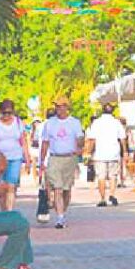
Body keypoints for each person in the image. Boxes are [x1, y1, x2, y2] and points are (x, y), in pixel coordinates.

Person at [38, 98, 83, 229]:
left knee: (66, 190)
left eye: (61, 106)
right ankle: (60, 217)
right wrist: (41, 161)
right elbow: (45, 142)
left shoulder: (74, 123)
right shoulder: (50, 123)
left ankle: (62, 211)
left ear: (66, 107)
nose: (59, 109)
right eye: (57, 106)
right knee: (57, 188)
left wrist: (81, 144)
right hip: (54, 158)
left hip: (69, 158)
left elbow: (80, 139)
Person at [0, 99, 30, 211]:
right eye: (4, 112)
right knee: (1, 186)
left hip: (15, 157)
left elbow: (23, 142)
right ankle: (4, 211)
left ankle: (10, 211)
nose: (7, 115)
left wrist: (27, 159)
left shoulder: (18, 122)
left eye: (9, 113)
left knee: (11, 185)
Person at [86, 103, 127, 207]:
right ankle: (112, 194)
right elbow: (123, 138)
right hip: (114, 152)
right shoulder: (116, 122)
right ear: (112, 111)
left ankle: (102, 198)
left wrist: (88, 152)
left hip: (100, 153)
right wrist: (125, 151)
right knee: (113, 176)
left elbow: (92, 139)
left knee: (101, 176)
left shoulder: (96, 122)